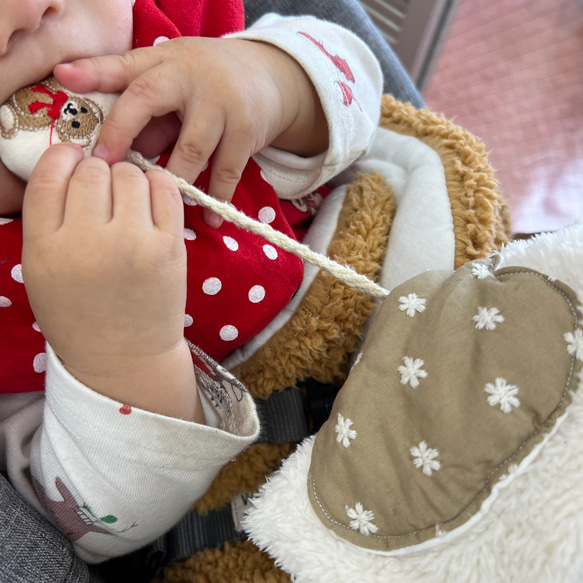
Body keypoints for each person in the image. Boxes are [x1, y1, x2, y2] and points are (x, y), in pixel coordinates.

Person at [0, 0, 384, 567]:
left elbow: (356, 80)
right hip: (319, 497)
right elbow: (87, 521)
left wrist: (269, 80)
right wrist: (124, 358)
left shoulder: (175, 53)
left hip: (411, 270)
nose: (29, 12)